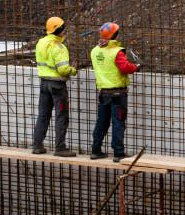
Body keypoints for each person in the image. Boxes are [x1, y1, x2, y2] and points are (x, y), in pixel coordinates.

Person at [89, 21, 139, 163]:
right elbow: (124, 67)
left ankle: (95, 150)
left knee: (102, 122)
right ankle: (118, 153)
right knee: (118, 122)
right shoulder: (117, 52)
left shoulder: (94, 51)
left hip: (104, 93)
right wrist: (136, 67)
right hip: (118, 94)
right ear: (115, 35)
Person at [32, 15, 78, 157]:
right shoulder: (59, 47)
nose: (65, 31)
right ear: (59, 30)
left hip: (44, 83)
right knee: (61, 116)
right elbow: (63, 69)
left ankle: (37, 145)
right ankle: (60, 148)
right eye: (64, 29)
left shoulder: (41, 43)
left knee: (43, 115)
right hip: (57, 85)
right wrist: (73, 70)